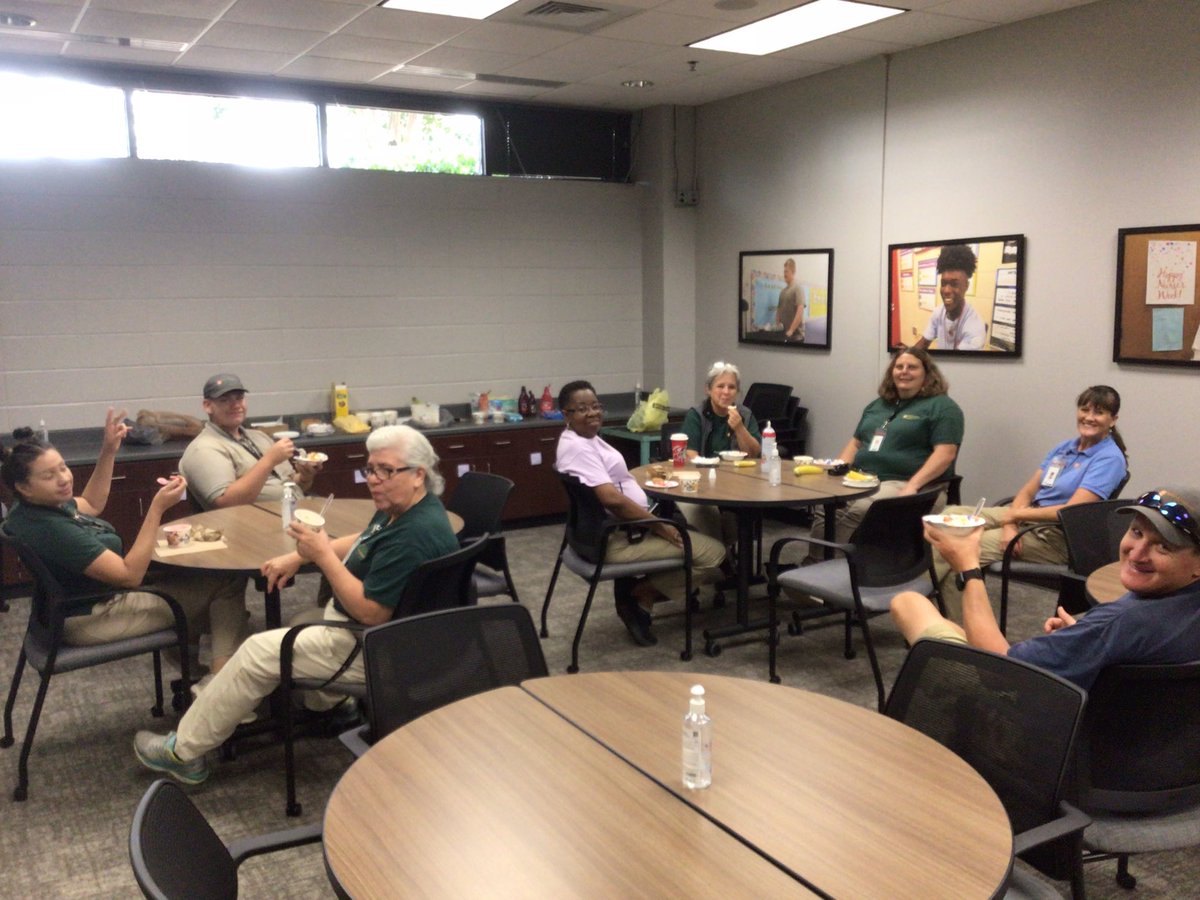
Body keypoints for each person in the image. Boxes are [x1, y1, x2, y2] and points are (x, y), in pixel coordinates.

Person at [134, 425, 459, 785]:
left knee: (258, 650)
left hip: (379, 649)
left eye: (386, 470)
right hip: (404, 636)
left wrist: (322, 556)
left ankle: (184, 753)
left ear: (418, 475)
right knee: (302, 620)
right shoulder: (409, 509)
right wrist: (299, 559)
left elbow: (371, 613)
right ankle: (333, 706)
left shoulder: (413, 538)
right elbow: (365, 538)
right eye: (370, 469)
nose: (373, 479)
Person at [0, 410, 246, 674]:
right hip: (96, 616)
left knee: (191, 580)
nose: (63, 478)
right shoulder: (49, 527)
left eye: (63, 467)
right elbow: (130, 576)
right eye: (49, 476)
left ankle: (191, 667)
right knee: (227, 581)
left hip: (73, 607)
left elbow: (92, 503)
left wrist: (108, 451)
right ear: (24, 487)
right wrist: (157, 508)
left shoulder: (35, 508)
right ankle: (221, 680)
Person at [891, 487, 1200, 690]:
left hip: (1033, 721)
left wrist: (969, 568)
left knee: (909, 603)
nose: (1136, 552)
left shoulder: (1115, 624)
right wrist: (1081, 636)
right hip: (1139, 748)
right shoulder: (1138, 620)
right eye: (1135, 532)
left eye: (1163, 547)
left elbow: (1001, 672)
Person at [933, 385, 1129, 618]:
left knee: (958, 547)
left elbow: (1070, 512)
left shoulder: (1109, 458)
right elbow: (1027, 491)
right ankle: (931, 602)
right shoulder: (1065, 448)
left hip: (1056, 535)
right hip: (1028, 516)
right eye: (1084, 409)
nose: (1089, 417)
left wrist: (1014, 516)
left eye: (1099, 412)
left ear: (1113, 419)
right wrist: (1009, 524)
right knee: (948, 516)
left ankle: (957, 636)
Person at [555, 381, 726, 647]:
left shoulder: (584, 438)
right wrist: (661, 528)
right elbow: (613, 500)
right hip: (615, 537)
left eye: (595, 406)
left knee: (701, 543)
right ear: (566, 414)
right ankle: (639, 595)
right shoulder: (578, 447)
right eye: (582, 409)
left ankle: (639, 590)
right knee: (714, 555)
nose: (592, 413)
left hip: (607, 531)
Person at [808, 346, 964, 554]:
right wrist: (837, 472)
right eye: (899, 366)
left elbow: (945, 454)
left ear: (927, 374)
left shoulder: (942, 407)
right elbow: (856, 443)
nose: (904, 371)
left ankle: (834, 564)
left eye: (912, 367)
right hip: (862, 478)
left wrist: (912, 486)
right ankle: (814, 563)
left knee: (862, 508)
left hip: (909, 483)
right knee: (826, 506)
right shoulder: (878, 406)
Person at [179, 373, 320, 510]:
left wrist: (305, 477)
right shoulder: (204, 449)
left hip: (292, 511)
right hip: (251, 526)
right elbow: (225, 504)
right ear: (207, 406)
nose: (235, 405)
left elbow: (289, 486)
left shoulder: (259, 437)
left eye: (239, 398)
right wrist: (269, 460)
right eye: (224, 400)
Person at [679, 361, 760, 546]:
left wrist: (739, 428)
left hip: (738, 483)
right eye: (720, 386)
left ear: (738, 392)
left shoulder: (745, 415)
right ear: (708, 389)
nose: (726, 392)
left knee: (739, 514)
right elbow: (689, 452)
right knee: (710, 516)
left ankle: (737, 561)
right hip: (703, 482)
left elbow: (754, 453)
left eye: (731, 387)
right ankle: (724, 560)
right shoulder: (697, 415)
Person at [911, 244, 987, 352]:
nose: (946, 290)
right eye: (943, 283)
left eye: (954, 284)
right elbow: (923, 343)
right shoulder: (938, 312)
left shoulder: (975, 328)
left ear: (966, 286)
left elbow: (958, 366)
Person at [775, 258, 805, 342]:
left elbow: (800, 310)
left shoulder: (798, 289)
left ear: (793, 272)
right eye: (784, 272)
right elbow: (779, 309)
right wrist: (777, 323)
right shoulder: (782, 292)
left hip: (796, 336)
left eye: (786, 271)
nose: (784, 274)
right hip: (785, 334)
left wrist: (791, 330)